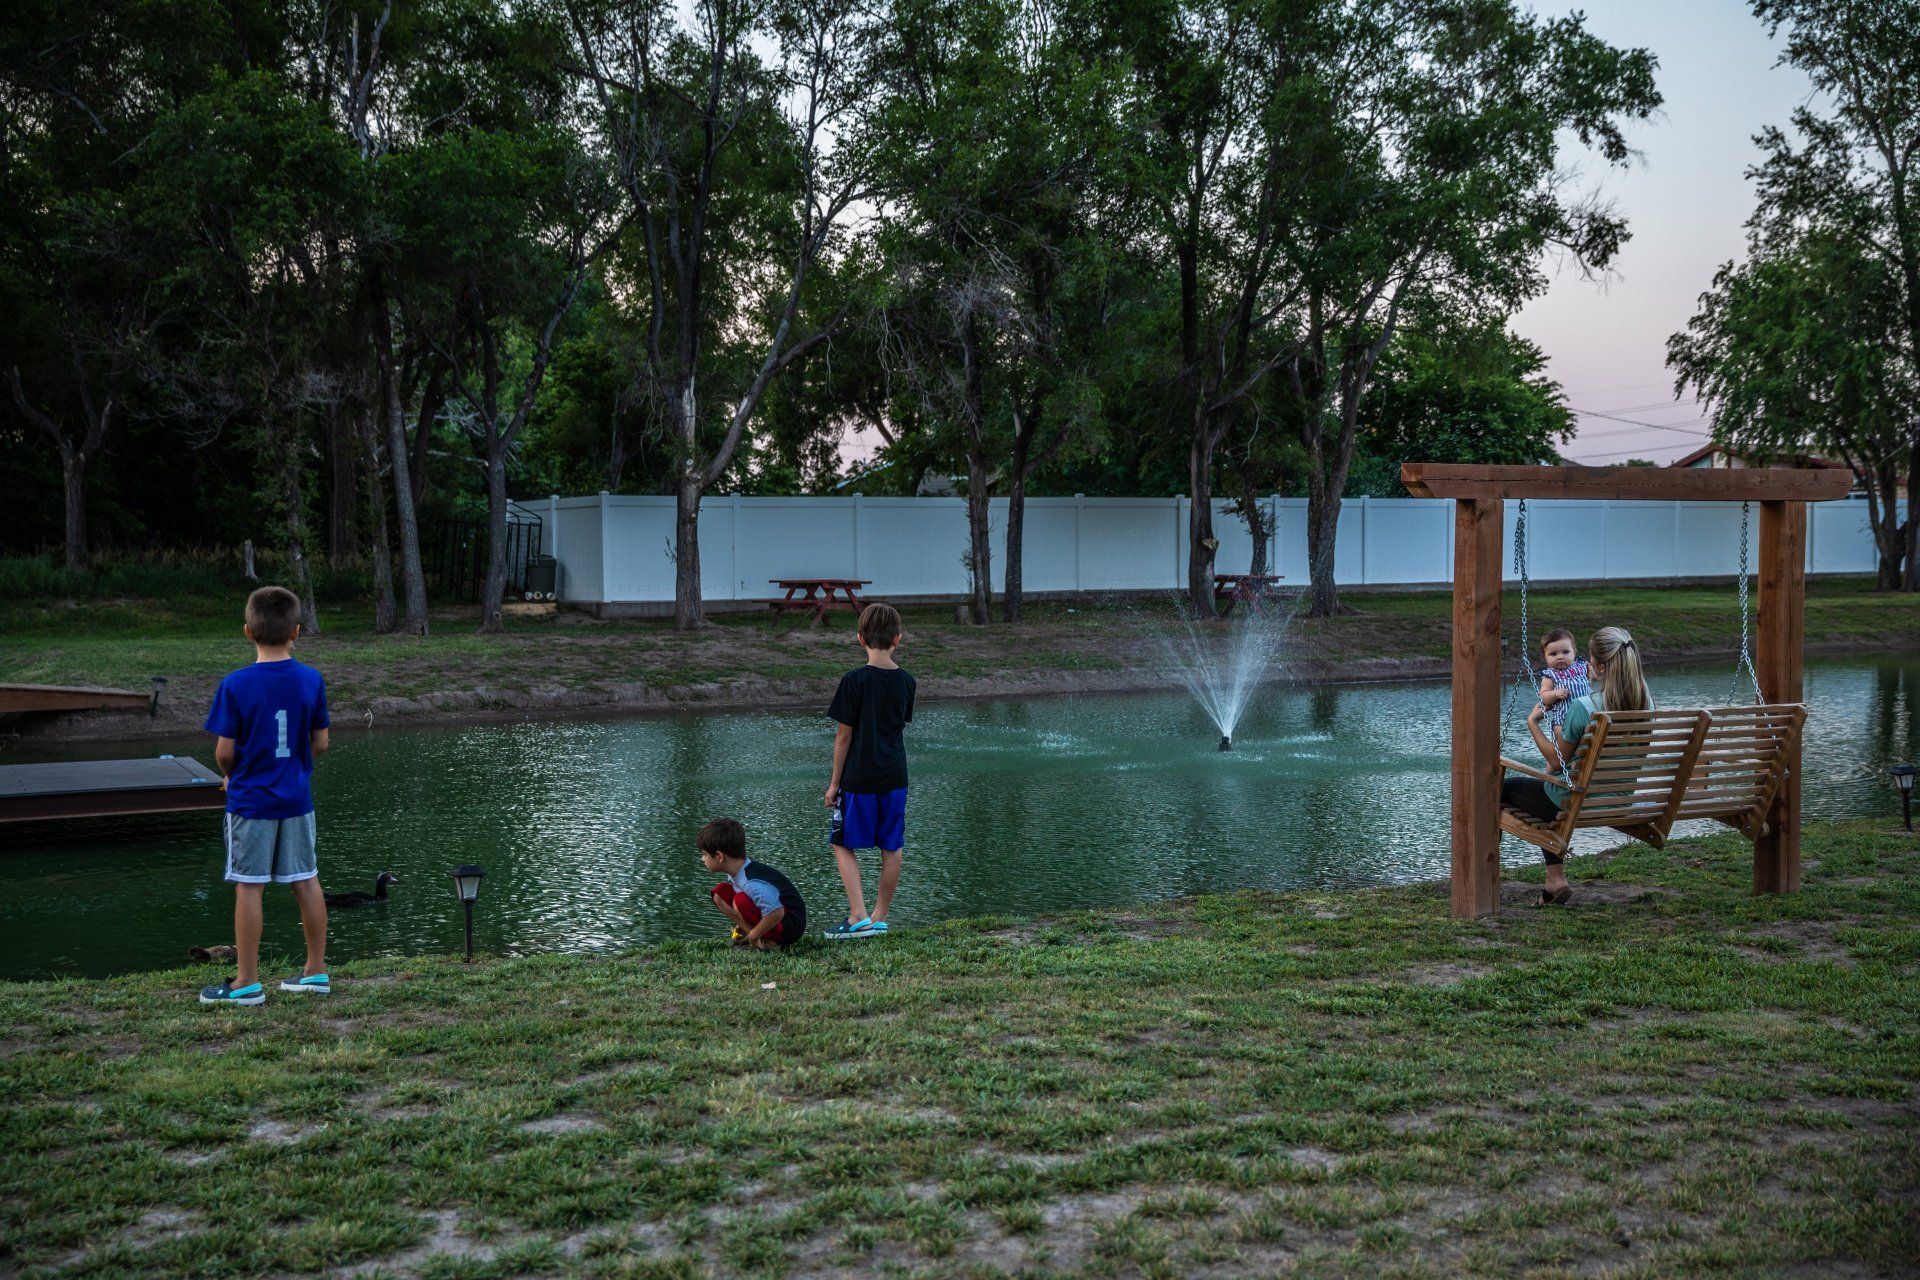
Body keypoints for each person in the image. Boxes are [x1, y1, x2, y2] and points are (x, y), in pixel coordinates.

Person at [199, 586, 332, 1005]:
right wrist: (291, 767)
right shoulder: (312, 679)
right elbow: (321, 742)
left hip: (251, 803)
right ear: (296, 631)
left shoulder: (235, 684)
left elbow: (225, 752)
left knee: (249, 887)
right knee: (306, 881)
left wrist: (231, 775)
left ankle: (247, 983)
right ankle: (315, 972)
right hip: (296, 799)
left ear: (247, 632)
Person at [1499, 626, 1650, 907]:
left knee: (1499, 788)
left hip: (1577, 802)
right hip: (1617, 800)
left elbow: (1557, 761)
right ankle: (1554, 882)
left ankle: (1487, 870)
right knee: (1545, 792)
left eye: (1591, 659)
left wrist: (1532, 723)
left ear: (1598, 666)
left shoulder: (1584, 707)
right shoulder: (1646, 701)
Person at [823, 602, 914, 940]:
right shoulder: (907, 682)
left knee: (842, 842)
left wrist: (834, 784)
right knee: (892, 845)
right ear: (897, 639)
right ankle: (879, 917)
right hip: (895, 777)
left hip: (859, 779)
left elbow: (844, 735)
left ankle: (858, 915)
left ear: (860, 638)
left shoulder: (854, 681)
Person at [699, 818, 807, 949]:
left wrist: (753, 935)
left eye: (704, 854)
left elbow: (777, 912)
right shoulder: (738, 872)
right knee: (719, 893)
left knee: (739, 900)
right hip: (779, 916)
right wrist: (742, 925)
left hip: (790, 925)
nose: (702, 859)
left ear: (719, 856)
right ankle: (757, 936)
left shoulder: (751, 881)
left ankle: (766, 941)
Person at [1534, 627, 1591, 731]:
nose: (1560, 657)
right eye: (1553, 654)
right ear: (1545, 657)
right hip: (1563, 721)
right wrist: (1555, 694)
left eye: (1565, 652)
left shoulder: (1582, 666)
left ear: (1574, 652)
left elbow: (1599, 676)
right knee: (1559, 735)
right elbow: (1543, 697)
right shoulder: (1549, 675)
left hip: (1587, 716)